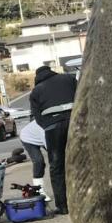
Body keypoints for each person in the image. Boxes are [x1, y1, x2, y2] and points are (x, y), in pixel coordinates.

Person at [29, 65, 77, 215]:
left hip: (53, 128)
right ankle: (85, 200)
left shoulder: (36, 91)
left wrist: (48, 125)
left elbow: (37, 116)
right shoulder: (69, 79)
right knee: (79, 160)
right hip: (75, 123)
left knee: (56, 166)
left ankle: (63, 206)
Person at [19, 117, 49, 198]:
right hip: (27, 137)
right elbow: (51, 149)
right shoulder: (43, 129)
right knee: (39, 161)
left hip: (37, 135)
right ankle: (39, 191)